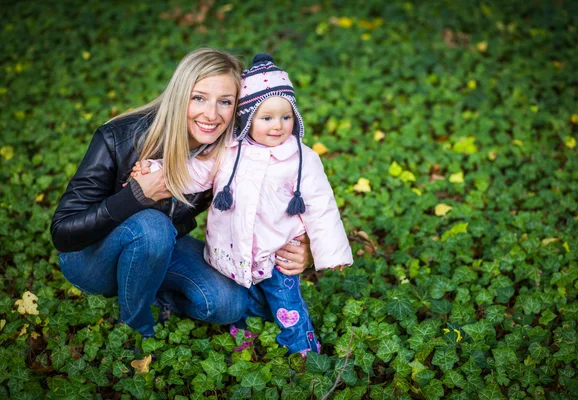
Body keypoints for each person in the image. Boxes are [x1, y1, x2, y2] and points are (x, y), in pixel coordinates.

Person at [50, 48, 313, 338]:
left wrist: (306, 251)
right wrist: (134, 197)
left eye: (225, 102)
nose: (211, 115)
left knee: (229, 304)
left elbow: (270, 209)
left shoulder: (234, 153)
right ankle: (136, 329)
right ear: (179, 95)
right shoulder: (119, 138)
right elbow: (63, 234)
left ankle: (154, 293)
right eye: (198, 98)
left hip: (162, 248)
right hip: (91, 258)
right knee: (153, 226)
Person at [133, 54, 353, 355]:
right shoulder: (229, 151)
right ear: (247, 118)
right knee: (242, 296)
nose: (278, 126)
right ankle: (245, 330)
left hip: (278, 253)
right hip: (234, 248)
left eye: (286, 117)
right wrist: (157, 171)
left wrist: (331, 252)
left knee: (286, 303)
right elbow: (194, 173)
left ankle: (302, 345)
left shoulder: (302, 159)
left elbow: (321, 207)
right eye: (266, 118)